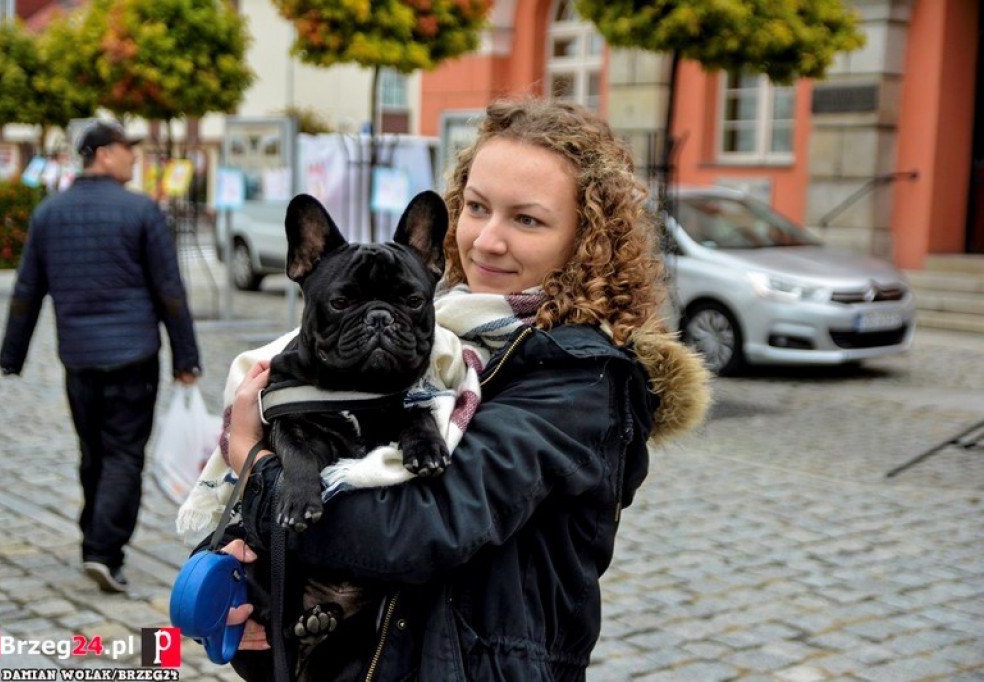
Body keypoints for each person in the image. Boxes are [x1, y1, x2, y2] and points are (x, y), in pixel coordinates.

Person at [206, 98, 711, 680]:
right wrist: (250, 590)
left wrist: (255, 464)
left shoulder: (582, 379)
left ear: (586, 240)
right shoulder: (444, 335)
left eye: (527, 219)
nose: (488, 240)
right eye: (476, 207)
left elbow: (415, 533)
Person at [0, 119, 202, 594]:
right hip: (133, 357)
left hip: (79, 358)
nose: (135, 156)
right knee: (123, 454)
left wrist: (13, 354)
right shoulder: (141, 212)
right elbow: (170, 292)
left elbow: (27, 291)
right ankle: (103, 550)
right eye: (127, 149)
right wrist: (186, 358)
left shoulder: (49, 213)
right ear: (102, 154)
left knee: (93, 452)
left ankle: (93, 535)